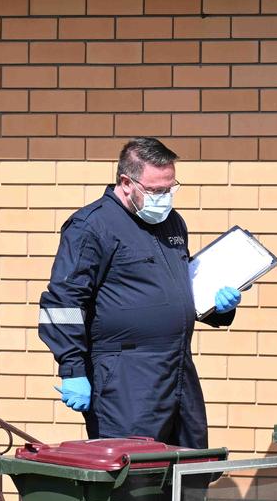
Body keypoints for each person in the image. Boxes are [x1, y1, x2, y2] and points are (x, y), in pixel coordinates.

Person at [37, 137, 242, 449]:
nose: (164, 197)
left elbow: (178, 290)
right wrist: (72, 369)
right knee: (135, 472)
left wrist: (219, 306)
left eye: (170, 188)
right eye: (156, 190)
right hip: (124, 376)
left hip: (177, 368)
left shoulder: (172, 223)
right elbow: (62, 302)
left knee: (190, 466)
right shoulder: (92, 227)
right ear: (126, 182)